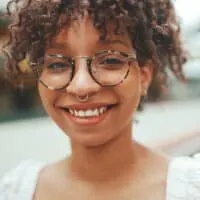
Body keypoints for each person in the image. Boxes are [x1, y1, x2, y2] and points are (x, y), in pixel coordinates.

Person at [0, 0, 200, 200]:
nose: (81, 86)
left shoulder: (190, 189)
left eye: (110, 60)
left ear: (144, 76)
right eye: (57, 64)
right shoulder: (16, 191)